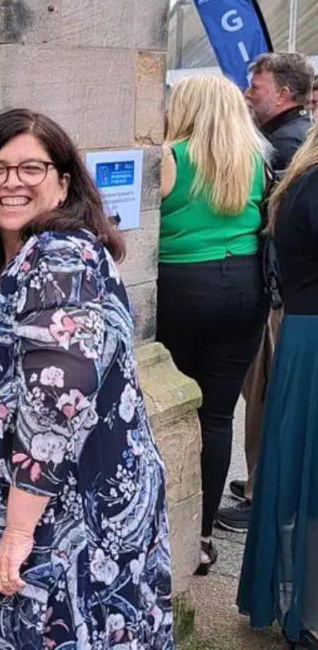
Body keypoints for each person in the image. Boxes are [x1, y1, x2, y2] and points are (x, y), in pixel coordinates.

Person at [0, 109, 172, 648]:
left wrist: (17, 533)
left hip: (59, 531)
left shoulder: (60, 257)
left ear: (64, 182)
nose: (11, 182)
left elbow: (55, 404)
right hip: (38, 523)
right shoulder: (9, 263)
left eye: (31, 169)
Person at [154, 75, 268, 565]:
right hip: (246, 286)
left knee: (165, 404)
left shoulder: (171, 157)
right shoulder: (256, 158)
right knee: (217, 416)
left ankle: (164, 529)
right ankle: (200, 539)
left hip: (182, 285)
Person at [238, 122, 318, 649]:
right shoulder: (311, 183)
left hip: (305, 337)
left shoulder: (303, 178)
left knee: (300, 474)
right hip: (312, 341)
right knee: (304, 477)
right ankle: (306, 613)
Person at [230, 55, 315, 528]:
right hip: (290, 298)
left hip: (285, 302)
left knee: (269, 397)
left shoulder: (286, 149)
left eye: (256, 86)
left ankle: (262, 492)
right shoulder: (293, 141)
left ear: (283, 93)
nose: (248, 93)